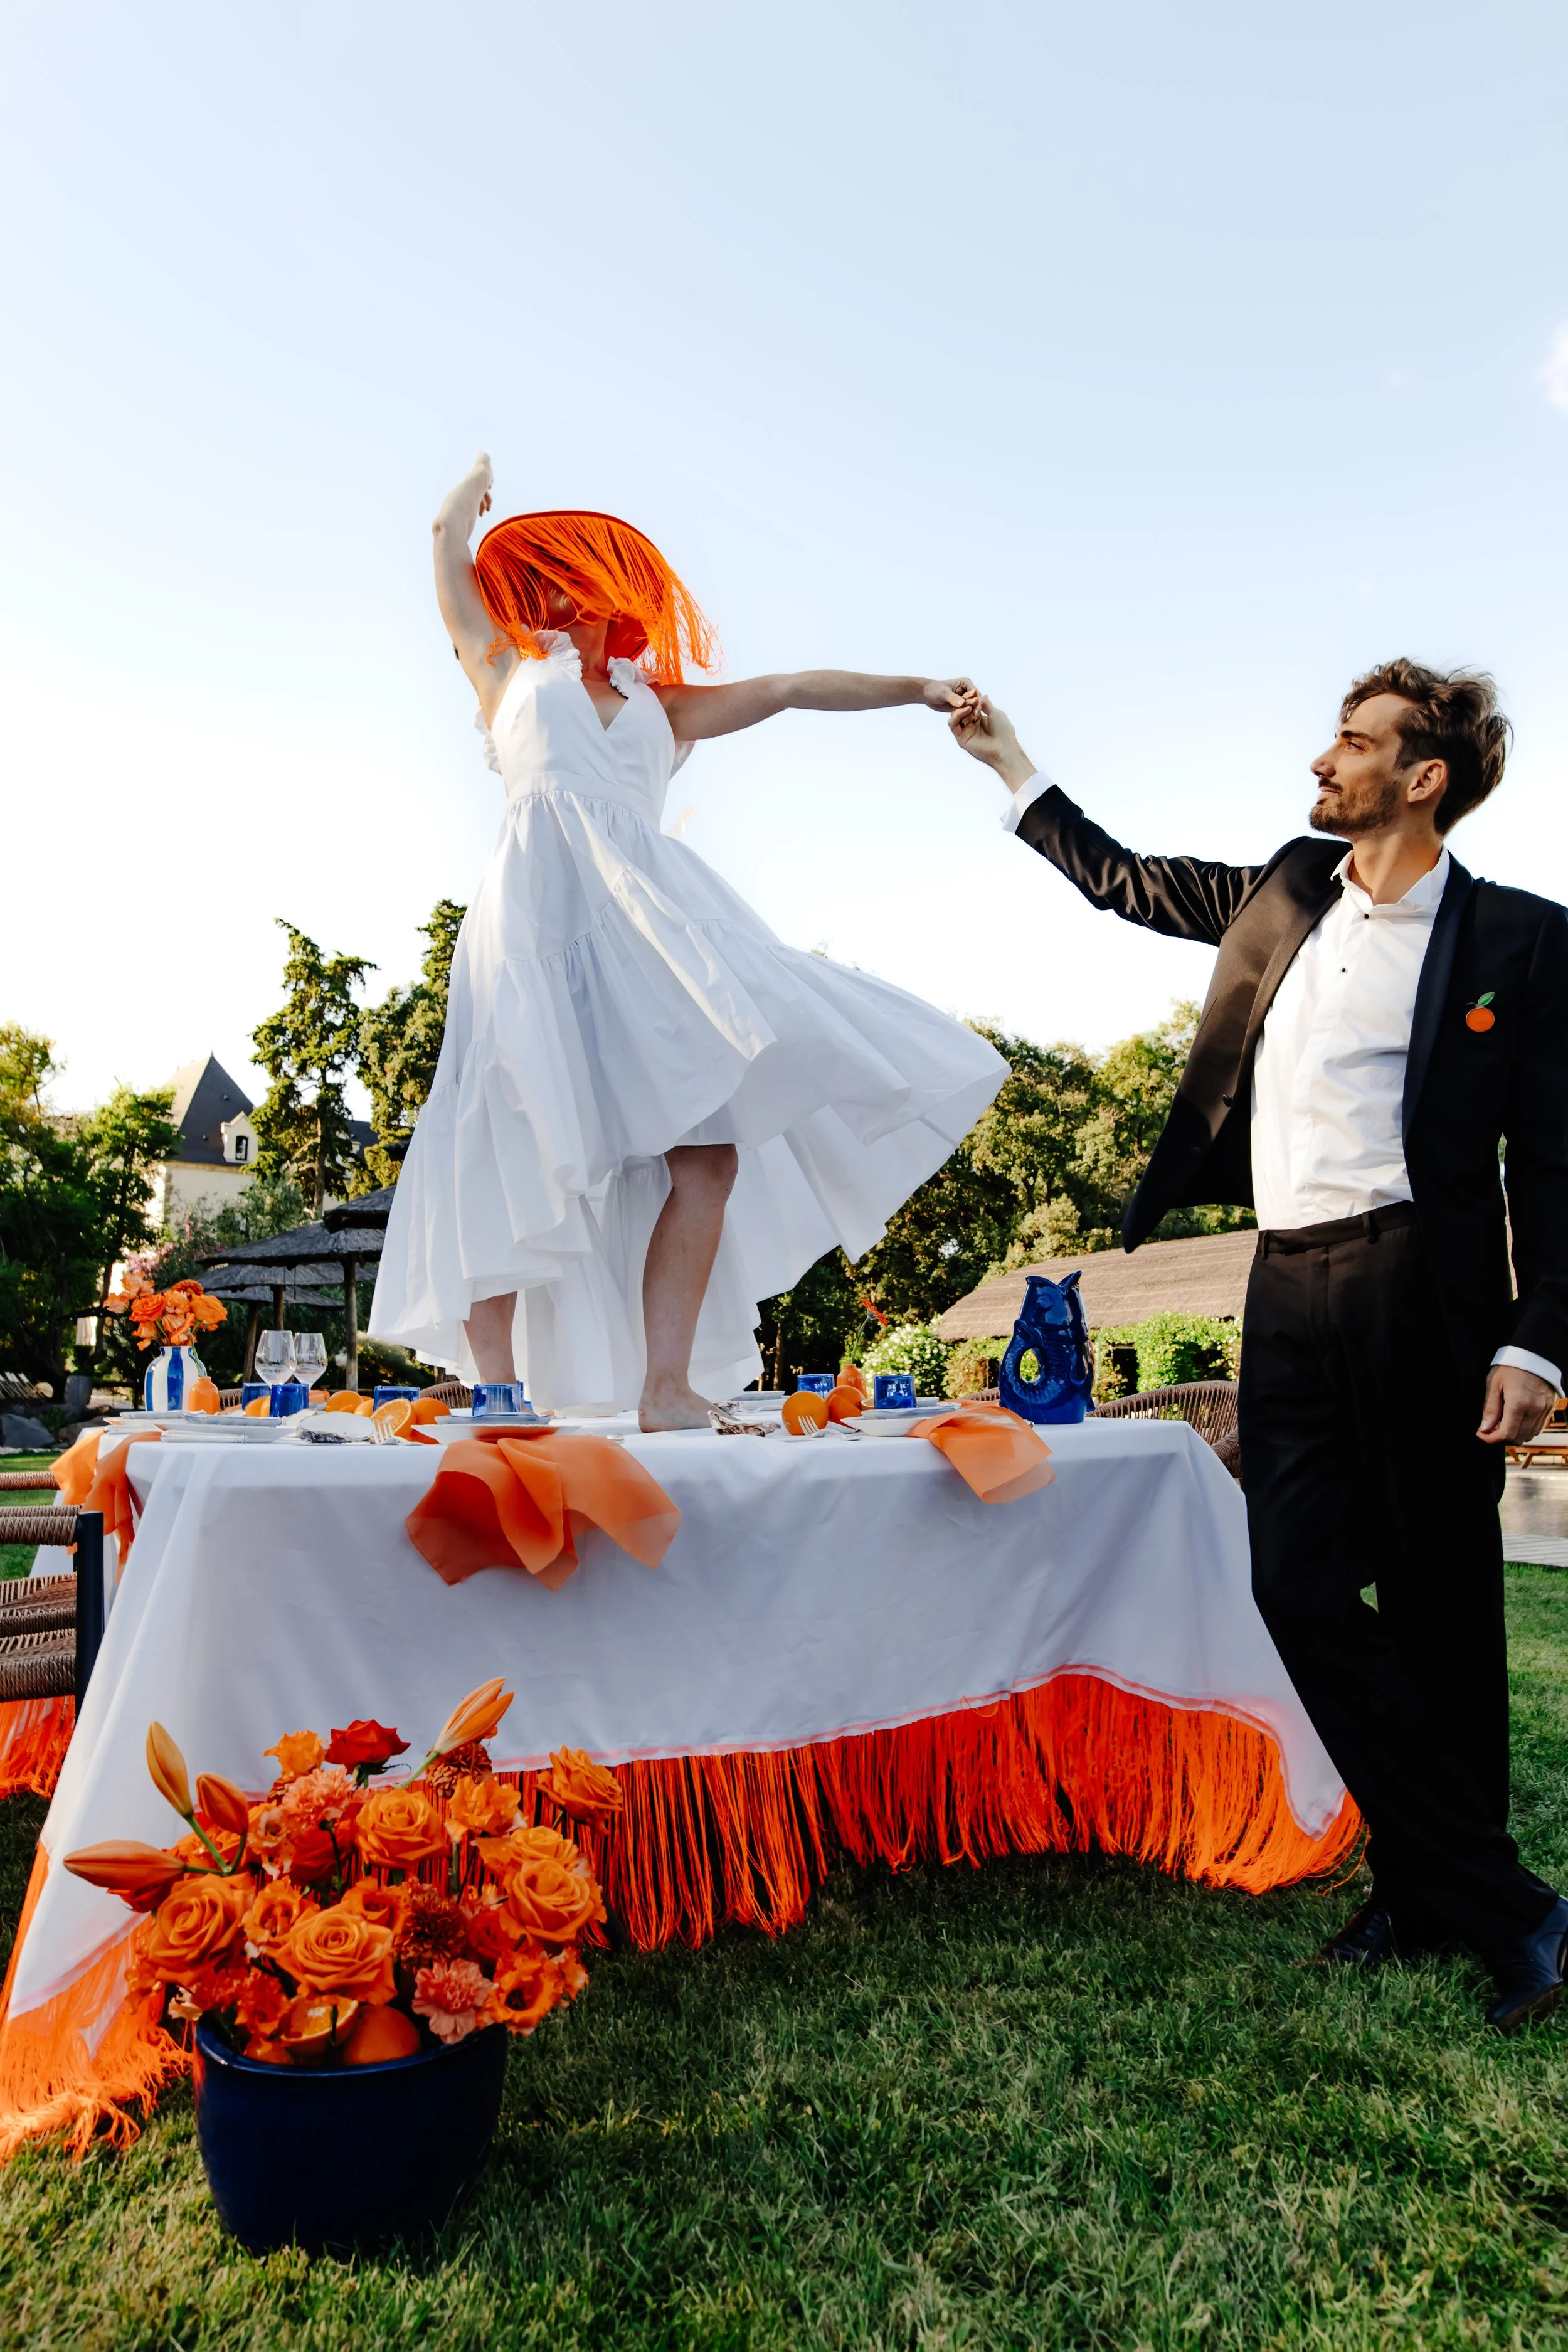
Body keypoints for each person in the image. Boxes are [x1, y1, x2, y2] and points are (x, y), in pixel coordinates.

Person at [951, 661, 1568, 2032]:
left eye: (1352, 743)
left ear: (1422, 778)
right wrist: (1011, 764)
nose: (1321, 762)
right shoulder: (1286, 889)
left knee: (1441, 1614)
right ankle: (1509, 1903)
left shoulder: (1520, 939)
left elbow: (1552, 1160)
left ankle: (1424, 1898)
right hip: (1282, 1285)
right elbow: (1129, 882)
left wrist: (1536, 1342)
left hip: (1422, 1288)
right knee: (1294, 1588)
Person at [369, 455, 1006, 1430]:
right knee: (504, 1139)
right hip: (533, 930)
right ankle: (497, 1391)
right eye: (550, 574)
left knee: (707, 1157)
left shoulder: (660, 703)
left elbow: (789, 687)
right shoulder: (504, 670)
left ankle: (666, 1385)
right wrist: (470, 490)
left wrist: (919, 686)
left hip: (648, 934)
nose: (558, 590)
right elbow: (446, 552)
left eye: (574, 572)